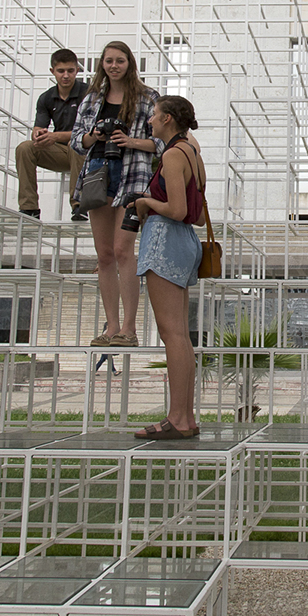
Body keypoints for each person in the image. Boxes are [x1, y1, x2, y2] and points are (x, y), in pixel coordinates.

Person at [70, 41, 159, 348]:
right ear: (102, 64)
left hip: (132, 176)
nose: (114, 66)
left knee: (123, 250)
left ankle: (131, 328)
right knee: (105, 255)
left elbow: (162, 142)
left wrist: (131, 141)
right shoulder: (93, 97)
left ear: (130, 63)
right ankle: (112, 327)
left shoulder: (148, 97)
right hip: (98, 173)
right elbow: (75, 140)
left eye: (120, 60)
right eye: (108, 61)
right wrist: (93, 135)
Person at [131, 95, 206, 440]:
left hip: (166, 237)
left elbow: (175, 208)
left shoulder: (174, 155)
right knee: (180, 334)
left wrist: (146, 202)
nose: (150, 121)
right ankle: (185, 416)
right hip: (184, 240)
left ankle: (177, 417)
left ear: (169, 119)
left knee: (171, 333)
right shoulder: (192, 152)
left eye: (155, 116)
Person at [15, 48, 86, 220]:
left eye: (70, 70)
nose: (66, 75)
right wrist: (40, 136)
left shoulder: (88, 93)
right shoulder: (46, 98)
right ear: (52, 71)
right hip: (61, 153)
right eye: (61, 71)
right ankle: (29, 207)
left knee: (75, 144)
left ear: (77, 70)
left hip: (86, 152)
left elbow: (88, 133)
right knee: (24, 148)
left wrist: (54, 136)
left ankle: (79, 205)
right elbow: (38, 127)